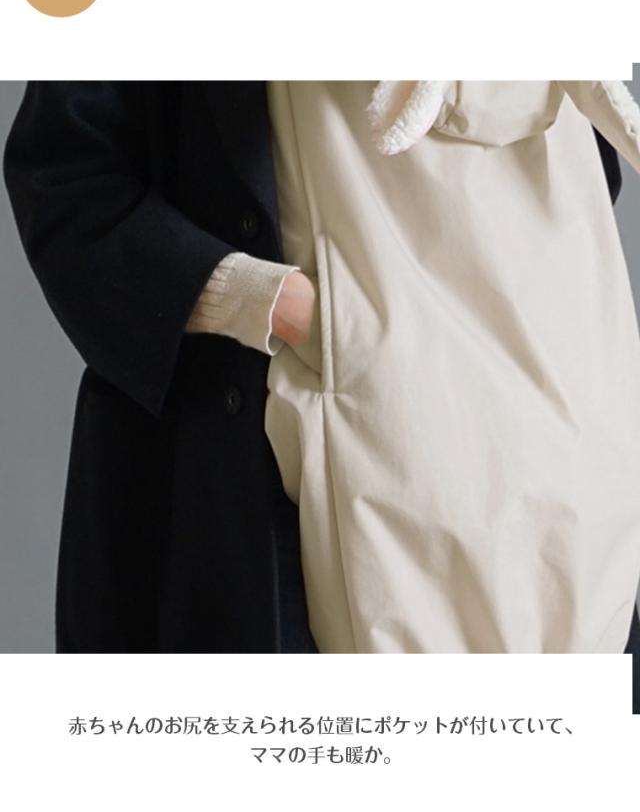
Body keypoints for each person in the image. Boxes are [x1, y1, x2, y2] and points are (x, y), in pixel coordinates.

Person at [3, 81, 640, 663]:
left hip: (555, 453)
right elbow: (66, 174)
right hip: (269, 467)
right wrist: (271, 303)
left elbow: (574, 174)